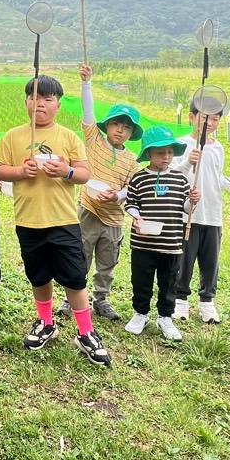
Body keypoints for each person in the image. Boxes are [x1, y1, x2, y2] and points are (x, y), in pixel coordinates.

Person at [0, 75, 111, 367]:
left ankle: (86, 332)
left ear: (58, 104)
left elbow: (84, 174)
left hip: (63, 221)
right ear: (26, 102)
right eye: (34, 98)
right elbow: (0, 169)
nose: (40, 104)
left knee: (74, 277)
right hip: (28, 221)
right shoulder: (13, 136)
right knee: (39, 276)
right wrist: (22, 171)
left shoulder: (68, 137)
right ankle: (46, 323)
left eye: (47, 99)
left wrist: (65, 171)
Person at [69, 63, 142, 321]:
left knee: (107, 263)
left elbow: (130, 188)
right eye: (116, 124)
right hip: (88, 210)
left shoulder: (132, 160)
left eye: (126, 127)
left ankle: (101, 299)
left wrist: (117, 196)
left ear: (131, 133)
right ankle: (72, 298)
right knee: (80, 255)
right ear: (107, 125)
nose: (120, 130)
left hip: (113, 219)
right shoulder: (94, 141)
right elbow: (88, 112)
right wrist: (86, 83)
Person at [123, 126, 199, 341]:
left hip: (171, 244)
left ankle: (165, 317)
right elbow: (131, 203)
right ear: (148, 153)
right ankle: (141, 313)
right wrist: (137, 217)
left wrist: (193, 201)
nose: (166, 157)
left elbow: (186, 208)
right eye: (160, 153)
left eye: (170, 152)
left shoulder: (180, 179)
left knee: (168, 283)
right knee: (141, 280)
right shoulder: (139, 178)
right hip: (143, 243)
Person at [171, 95, 230, 325]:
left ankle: (207, 301)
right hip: (187, 213)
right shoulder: (180, 145)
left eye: (216, 118)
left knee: (210, 261)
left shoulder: (218, 148)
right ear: (192, 117)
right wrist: (188, 161)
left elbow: (216, 177)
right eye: (205, 118)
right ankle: (180, 300)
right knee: (184, 258)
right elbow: (172, 176)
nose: (211, 123)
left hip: (212, 212)